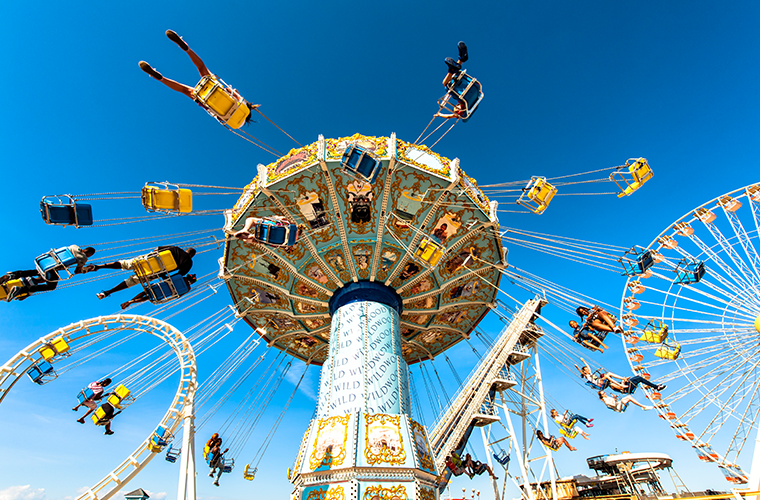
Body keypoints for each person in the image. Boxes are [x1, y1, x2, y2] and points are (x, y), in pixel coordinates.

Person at [139, 30, 259, 124]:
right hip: (206, 100)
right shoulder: (237, 123)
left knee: (202, 67)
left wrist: (232, 92)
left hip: (216, 90)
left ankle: (186, 48)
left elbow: (234, 91)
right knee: (183, 90)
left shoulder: (244, 106)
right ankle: (160, 78)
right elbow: (219, 118)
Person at [89, 246, 195, 300]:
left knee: (125, 264)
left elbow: (157, 249)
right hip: (153, 272)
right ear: (192, 256)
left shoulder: (175, 248)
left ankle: (98, 266)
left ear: (186, 250)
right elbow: (178, 276)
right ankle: (108, 292)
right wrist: (163, 276)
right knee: (131, 282)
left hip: (146, 261)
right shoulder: (188, 263)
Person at [1, 246, 96, 301]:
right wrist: (87, 269)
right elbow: (77, 271)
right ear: (89, 254)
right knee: (51, 286)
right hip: (52, 268)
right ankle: (20, 290)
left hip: (45, 262)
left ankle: (13, 275)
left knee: (40, 272)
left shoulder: (73, 246)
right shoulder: (83, 258)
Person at [574, 359, 666, 393]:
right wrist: (578, 367)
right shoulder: (587, 376)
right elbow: (583, 373)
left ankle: (656, 387)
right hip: (621, 388)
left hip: (626, 386)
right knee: (608, 376)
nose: (587, 370)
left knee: (639, 378)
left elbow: (589, 368)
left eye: (586, 369)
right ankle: (623, 380)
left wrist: (584, 361)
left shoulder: (591, 373)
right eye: (585, 369)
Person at [119, 274, 197, 309]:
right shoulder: (188, 289)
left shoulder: (180, 277)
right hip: (161, 295)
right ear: (192, 282)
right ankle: (131, 302)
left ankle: (130, 301)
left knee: (145, 292)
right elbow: (178, 296)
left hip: (157, 287)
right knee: (148, 297)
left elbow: (166, 278)